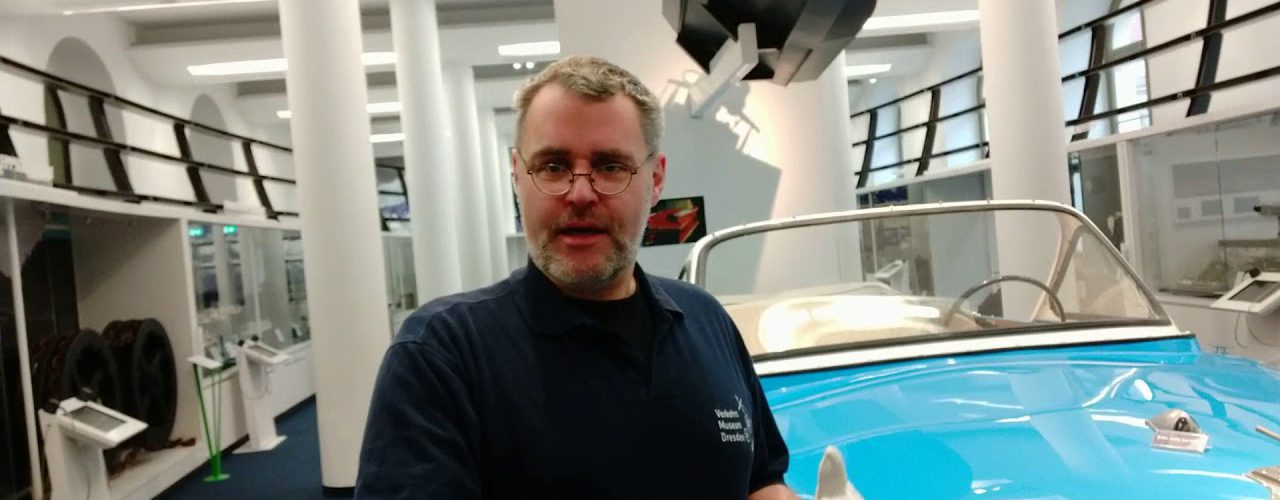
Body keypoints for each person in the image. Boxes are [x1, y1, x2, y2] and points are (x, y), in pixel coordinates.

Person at [355, 56, 795, 500]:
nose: (580, 193)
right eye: (553, 166)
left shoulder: (706, 319)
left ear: (656, 179)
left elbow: (761, 479)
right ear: (517, 175)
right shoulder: (443, 354)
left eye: (610, 166)